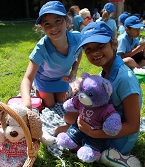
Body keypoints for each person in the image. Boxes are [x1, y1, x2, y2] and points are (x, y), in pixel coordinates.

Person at [57, 21, 142, 166]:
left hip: (116, 138)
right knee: (68, 117)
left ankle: (110, 156)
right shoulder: (106, 69)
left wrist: (93, 133)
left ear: (114, 44)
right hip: (99, 121)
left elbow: (133, 126)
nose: (95, 52)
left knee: (62, 135)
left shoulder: (125, 80)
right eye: (88, 49)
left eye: (100, 45)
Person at [20, 1, 82, 109]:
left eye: (57, 21)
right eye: (47, 24)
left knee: (61, 101)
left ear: (66, 20)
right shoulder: (41, 48)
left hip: (62, 78)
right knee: (49, 104)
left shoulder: (77, 39)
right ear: (42, 27)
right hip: (44, 80)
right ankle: (36, 87)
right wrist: (26, 102)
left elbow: (79, 52)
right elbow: (27, 78)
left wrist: (74, 70)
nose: (53, 27)